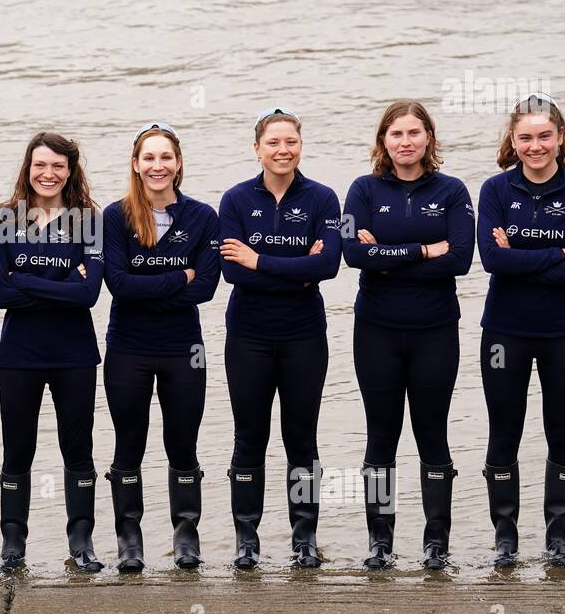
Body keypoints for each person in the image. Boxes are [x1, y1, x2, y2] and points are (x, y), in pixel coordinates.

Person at [341, 100, 475, 569]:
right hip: (376, 330)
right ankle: (380, 542)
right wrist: (424, 250)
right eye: (396, 134)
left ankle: (436, 544)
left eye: (414, 133)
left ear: (429, 139)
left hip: (435, 331)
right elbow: (354, 257)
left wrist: (390, 254)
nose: (406, 142)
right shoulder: (362, 190)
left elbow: (459, 260)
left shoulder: (453, 191)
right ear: (383, 141)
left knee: (432, 435)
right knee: (381, 438)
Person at [476, 92, 565, 567]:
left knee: (562, 432)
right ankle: (505, 537)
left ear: (560, 137)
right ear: (513, 139)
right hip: (504, 331)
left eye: (544, 136)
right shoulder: (495, 191)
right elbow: (492, 260)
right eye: (526, 137)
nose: (535, 146)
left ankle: (557, 537)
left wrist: (521, 258)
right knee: (503, 431)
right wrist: (559, 253)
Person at [217, 108, 341, 568]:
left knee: (301, 440)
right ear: (257, 149)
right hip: (247, 336)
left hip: (304, 337)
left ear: (300, 146)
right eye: (273, 143)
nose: (282, 150)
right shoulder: (234, 200)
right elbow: (231, 271)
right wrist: (296, 270)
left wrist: (260, 260)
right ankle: (246, 540)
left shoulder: (323, 200)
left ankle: (304, 538)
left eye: (290, 142)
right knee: (248, 438)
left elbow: (327, 267)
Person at [101, 122, 221, 571]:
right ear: (136, 165)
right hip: (128, 347)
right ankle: (129, 541)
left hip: (183, 347)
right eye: (148, 158)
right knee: (128, 444)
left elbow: (207, 287)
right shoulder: (116, 216)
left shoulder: (203, 217)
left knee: (182, 444)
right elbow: (118, 285)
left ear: (178, 163)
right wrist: (179, 277)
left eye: (165, 157)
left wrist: (154, 282)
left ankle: (186, 536)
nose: (157, 165)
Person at [0, 132, 105, 572]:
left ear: (71, 170)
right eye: (40, 165)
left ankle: (81, 543)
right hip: (19, 354)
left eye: (58, 166)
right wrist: (63, 283)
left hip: (75, 352)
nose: (48, 174)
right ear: (28, 168)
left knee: (78, 451)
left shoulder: (89, 219)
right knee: (17, 452)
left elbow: (90, 293)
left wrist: (25, 278)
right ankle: (13, 545)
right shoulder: (3, 218)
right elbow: (0, 294)